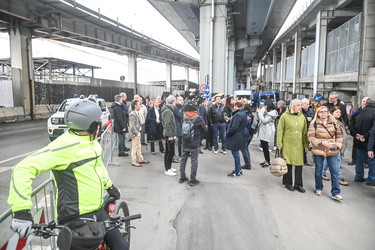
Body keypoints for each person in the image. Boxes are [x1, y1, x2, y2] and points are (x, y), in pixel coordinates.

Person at [8, 99, 128, 249]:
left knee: (122, 246)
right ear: (92, 126)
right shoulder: (64, 147)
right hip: (75, 218)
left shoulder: (92, 143)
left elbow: (98, 168)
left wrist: (109, 186)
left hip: (97, 210)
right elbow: (23, 168)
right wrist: (21, 211)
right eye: (98, 122)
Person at [308, 106, 343, 201]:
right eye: (321, 112)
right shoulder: (314, 123)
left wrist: (338, 145)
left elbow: (339, 136)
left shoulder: (334, 122)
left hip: (332, 149)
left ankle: (336, 192)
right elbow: (311, 137)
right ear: (318, 113)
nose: (323, 113)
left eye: (325, 112)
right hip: (319, 149)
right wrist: (321, 143)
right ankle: (318, 188)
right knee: (319, 170)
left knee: (334, 171)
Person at [277, 99, 309, 192]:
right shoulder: (284, 116)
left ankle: (298, 185)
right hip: (287, 144)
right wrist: (279, 143)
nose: (300, 107)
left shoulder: (302, 117)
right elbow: (280, 131)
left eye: (300, 105)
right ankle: (288, 183)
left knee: (299, 165)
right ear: (292, 106)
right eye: (298, 105)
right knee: (288, 164)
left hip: (299, 145)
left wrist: (306, 144)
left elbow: (304, 132)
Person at [178, 101, 207, 185]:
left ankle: (182, 177)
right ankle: (192, 179)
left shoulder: (183, 116)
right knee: (194, 161)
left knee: (183, 160)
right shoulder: (199, 118)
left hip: (184, 141)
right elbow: (205, 130)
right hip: (194, 142)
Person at [349, 98, 375, 184]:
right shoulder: (374, 113)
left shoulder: (357, 112)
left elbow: (351, 124)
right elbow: (373, 129)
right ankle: (371, 178)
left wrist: (356, 134)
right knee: (371, 160)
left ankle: (358, 176)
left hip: (358, 140)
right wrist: (365, 136)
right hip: (369, 140)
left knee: (359, 159)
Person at [321, 106, 349, 186]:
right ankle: (339, 178)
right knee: (337, 161)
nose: (339, 114)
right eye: (336, 112)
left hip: (338, 144)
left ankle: (322, 172)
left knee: (328, 159)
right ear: (332, 113)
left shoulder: (339, 121)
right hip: (334, 144)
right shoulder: (331, 121)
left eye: (339, 112)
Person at [226, 101, 247, 177]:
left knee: (235, 154)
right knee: (236, 154)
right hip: (239, 135)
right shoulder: (243, 114)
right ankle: (239, 169)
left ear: (236, 106)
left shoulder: (238, 115)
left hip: (235, 137)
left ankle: (237, 171)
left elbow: (234, 127)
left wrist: (228, 133)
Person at [256, 99, 278, 167]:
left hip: (266, 131)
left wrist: (259, 113)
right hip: (263, 131)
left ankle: (268, 161)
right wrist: (261, 111)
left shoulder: (272, 113)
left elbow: (264, 120)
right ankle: (266, 160)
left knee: (265, 147)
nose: (264, 107)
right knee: (264, 146)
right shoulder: (269, 112)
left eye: (265, 106)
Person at [129, 100, 150, 167]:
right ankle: (134, 161)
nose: (140, 106)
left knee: (139, 147)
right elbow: (131, 125)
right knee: (134, 147)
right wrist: (136, 133)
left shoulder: (136, 112)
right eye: (138, 105)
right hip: (135, 134)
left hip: (138, 132)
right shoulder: (132, 114)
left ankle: (141, 159)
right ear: (135, 106)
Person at [348, 96, 368, 165]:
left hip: (366, 133)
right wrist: (354, 132)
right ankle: (354, 159)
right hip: (357, 132)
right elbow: (352, 120)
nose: (364, 103)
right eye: (363, 101)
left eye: (366, 101)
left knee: (366, 147)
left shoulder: (371, 111)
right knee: (355, 146)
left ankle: (366, 161)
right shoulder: (358, 110)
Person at [161, 95, 178, 176]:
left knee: (169, 151)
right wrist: (170, 135)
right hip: (169, 134)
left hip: (169, 133)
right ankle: (167, 169)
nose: (175, 103)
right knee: (170, 152)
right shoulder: (168, 111)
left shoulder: (168, 110)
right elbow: (167, 124)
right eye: (175, 101)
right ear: (172, 102)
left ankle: (168, 167)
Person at [301, 98, 314, 166]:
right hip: (301, 131)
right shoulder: (300, 111)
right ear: (302, 104)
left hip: (308, 130)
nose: (308, 105)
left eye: (308, 104)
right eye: (307, 104)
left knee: (306, 146)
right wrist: (307, 119)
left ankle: (304, 159)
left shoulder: (309, 111)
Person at [241, 104, 254, 170]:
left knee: (244, 149)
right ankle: (248, 162)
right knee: (246, 149)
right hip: (250, 134)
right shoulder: (251, 115)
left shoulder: (244, 116)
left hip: (245, 134)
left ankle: (247, 164)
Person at [173, 96, 184, 161]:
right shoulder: (176, 108)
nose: (181, 101)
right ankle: (175, 155)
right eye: (180, 100)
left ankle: (181, 154)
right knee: (177, 142)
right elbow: (180, 116)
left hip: (182, 127)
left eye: (182, 100)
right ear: (176, 101)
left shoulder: (182, 107)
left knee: (181, 142)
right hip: (177, 127)